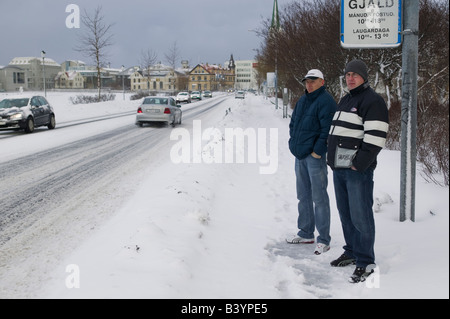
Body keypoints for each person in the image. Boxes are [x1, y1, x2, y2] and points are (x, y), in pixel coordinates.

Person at [327, 59, 389, 283]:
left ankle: (366, 261)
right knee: (346, 213)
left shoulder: (372, 101)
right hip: (340, 168)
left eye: (355, 74)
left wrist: (359, 163)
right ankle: (352, 251)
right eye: (347, 74)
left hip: (356, 170)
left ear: (364, 77)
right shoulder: (346, 99)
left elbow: (376, 138)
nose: (350, 78)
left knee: (361, 214)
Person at [287, 69, 337, 255]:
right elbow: (294, 124)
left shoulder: (326, 101)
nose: (309, 84)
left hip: (314, 158)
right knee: (303, 196)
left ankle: (323, 239)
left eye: (313, 81)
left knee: (319, 198)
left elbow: (328, 130)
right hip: (300, 156)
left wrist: (317, 152)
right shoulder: (303, 100)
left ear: (322, 82)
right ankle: (306, 232)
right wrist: (293, 144)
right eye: (307, 81)